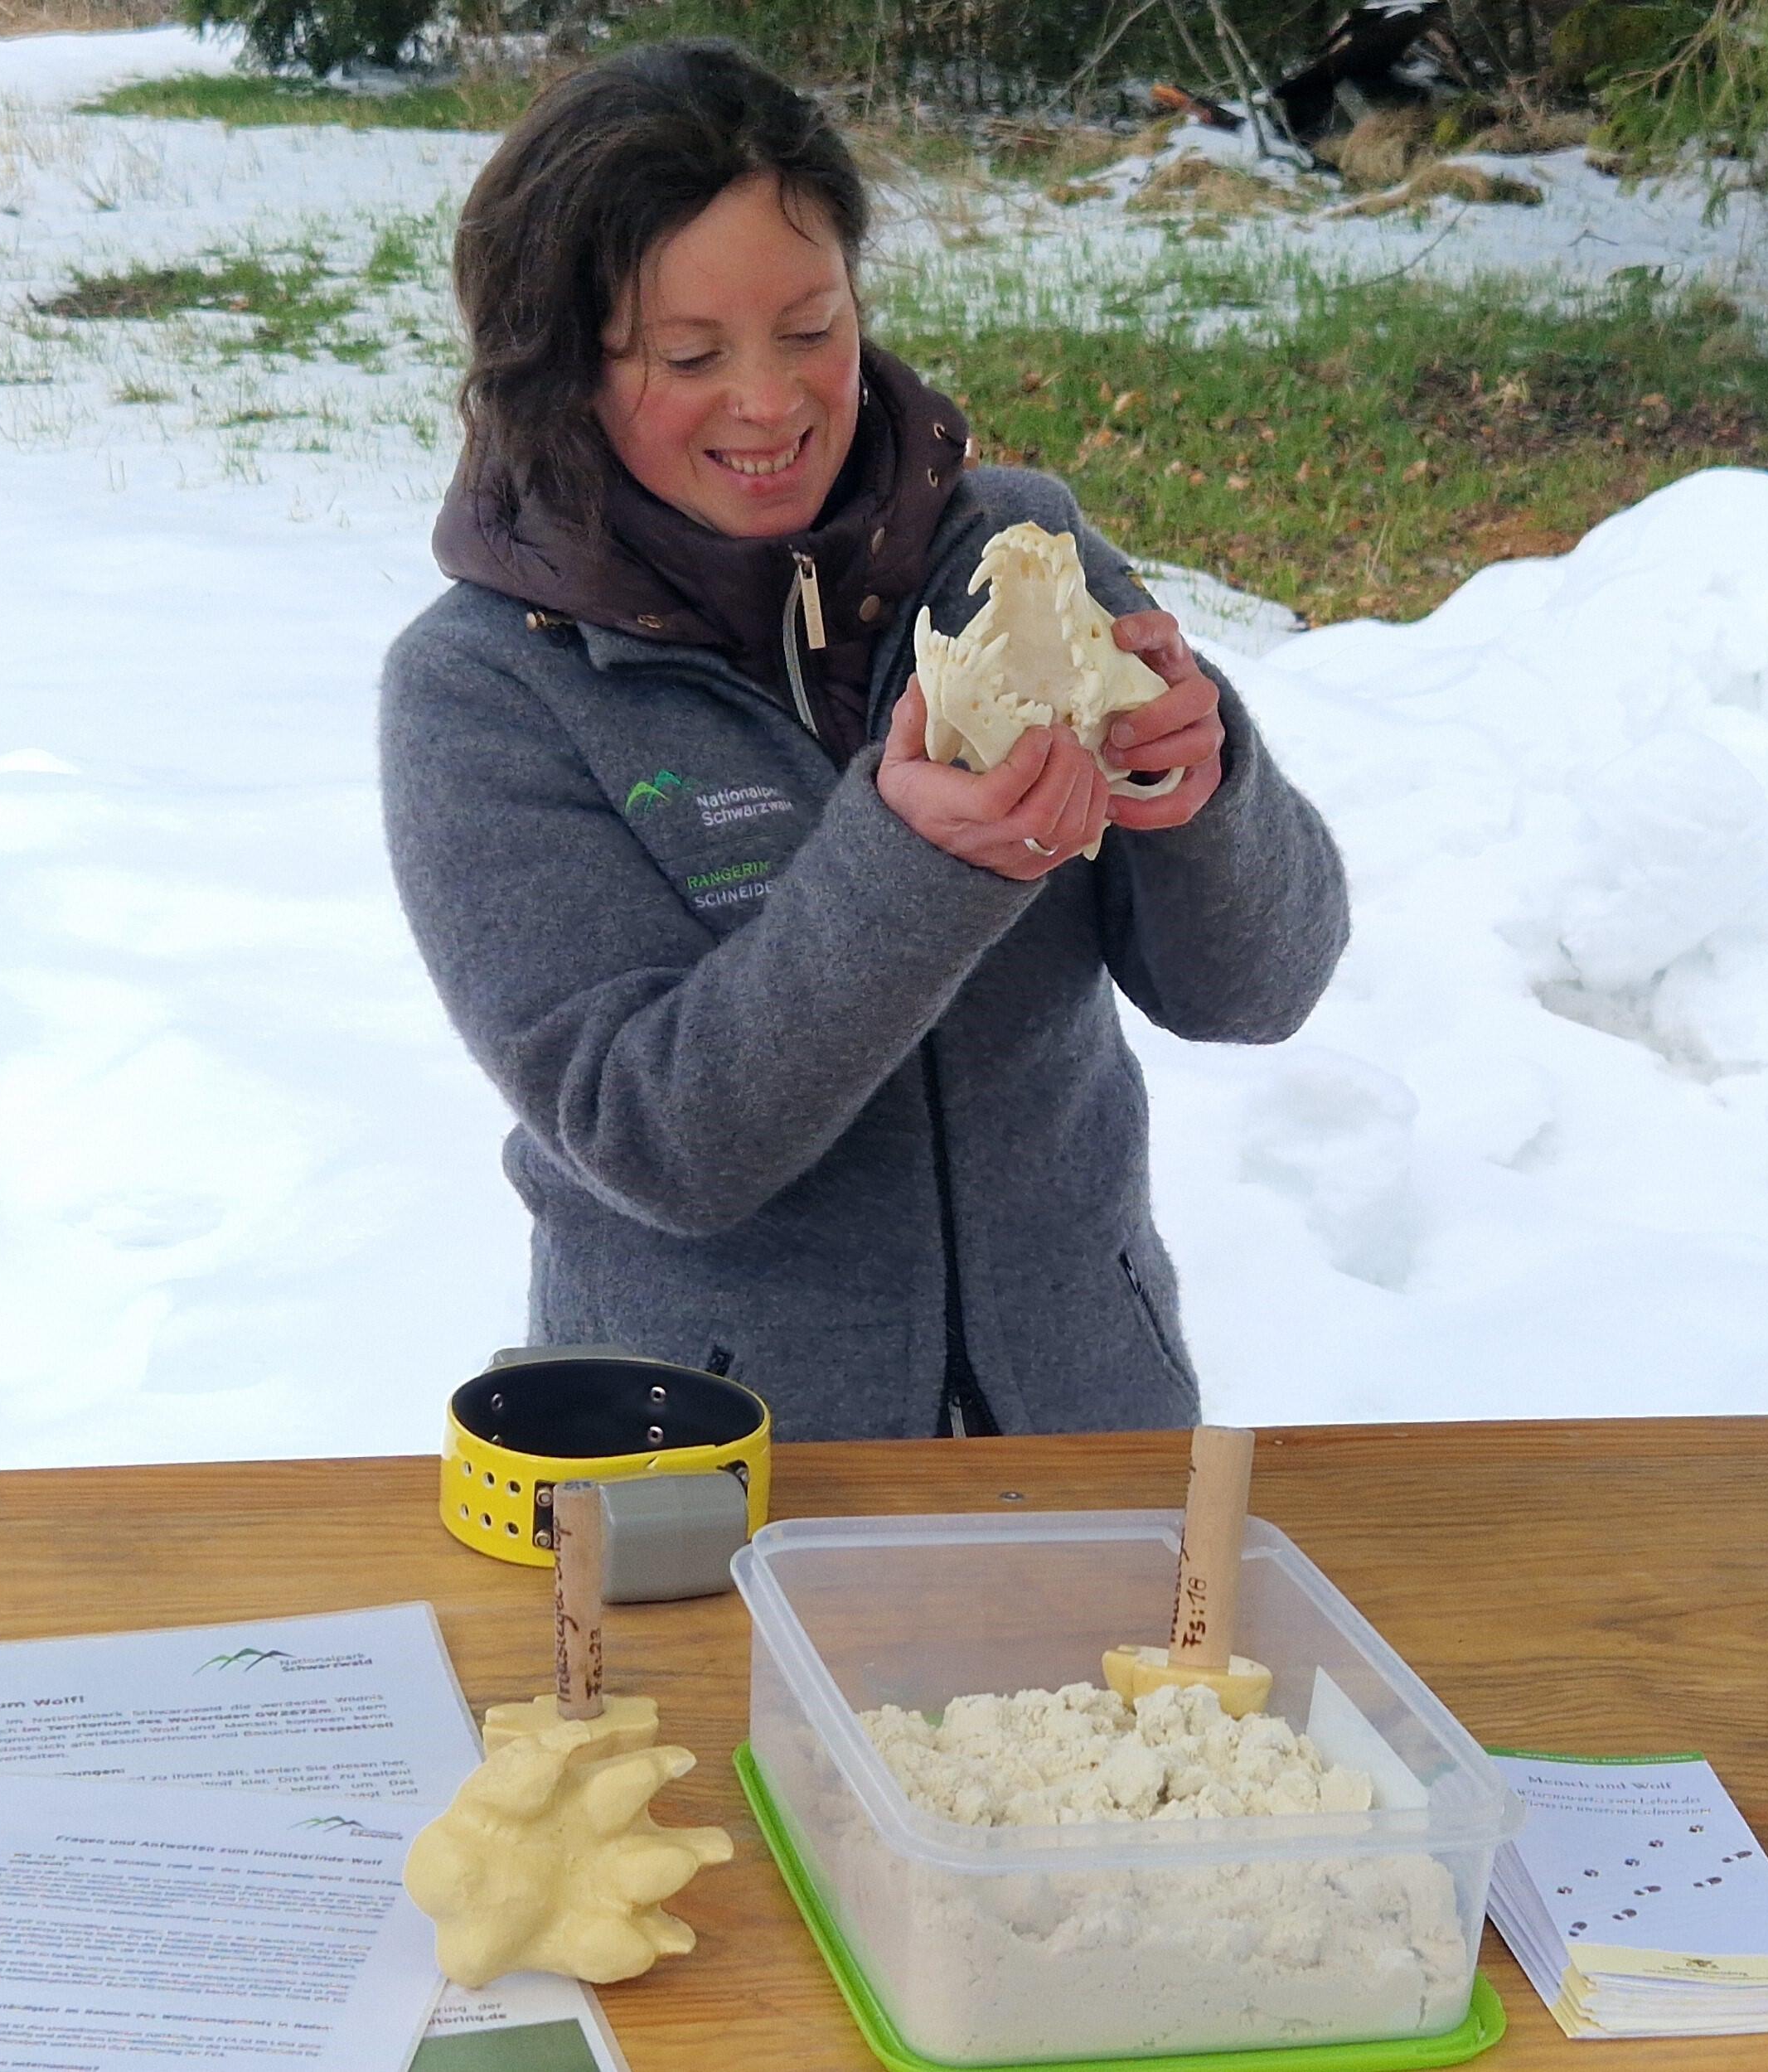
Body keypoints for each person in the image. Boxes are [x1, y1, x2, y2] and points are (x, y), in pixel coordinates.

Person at [380, 40, 1351, 1444]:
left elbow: (1258, 989)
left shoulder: (1018, 552)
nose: (772, 403)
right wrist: (914, 865)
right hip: (713, 1477)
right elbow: (659, 1139)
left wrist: (1201, 790)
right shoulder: (488, 688)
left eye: (812, 326)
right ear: (558, 369)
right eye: (689, 355)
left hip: (1088, 1437)